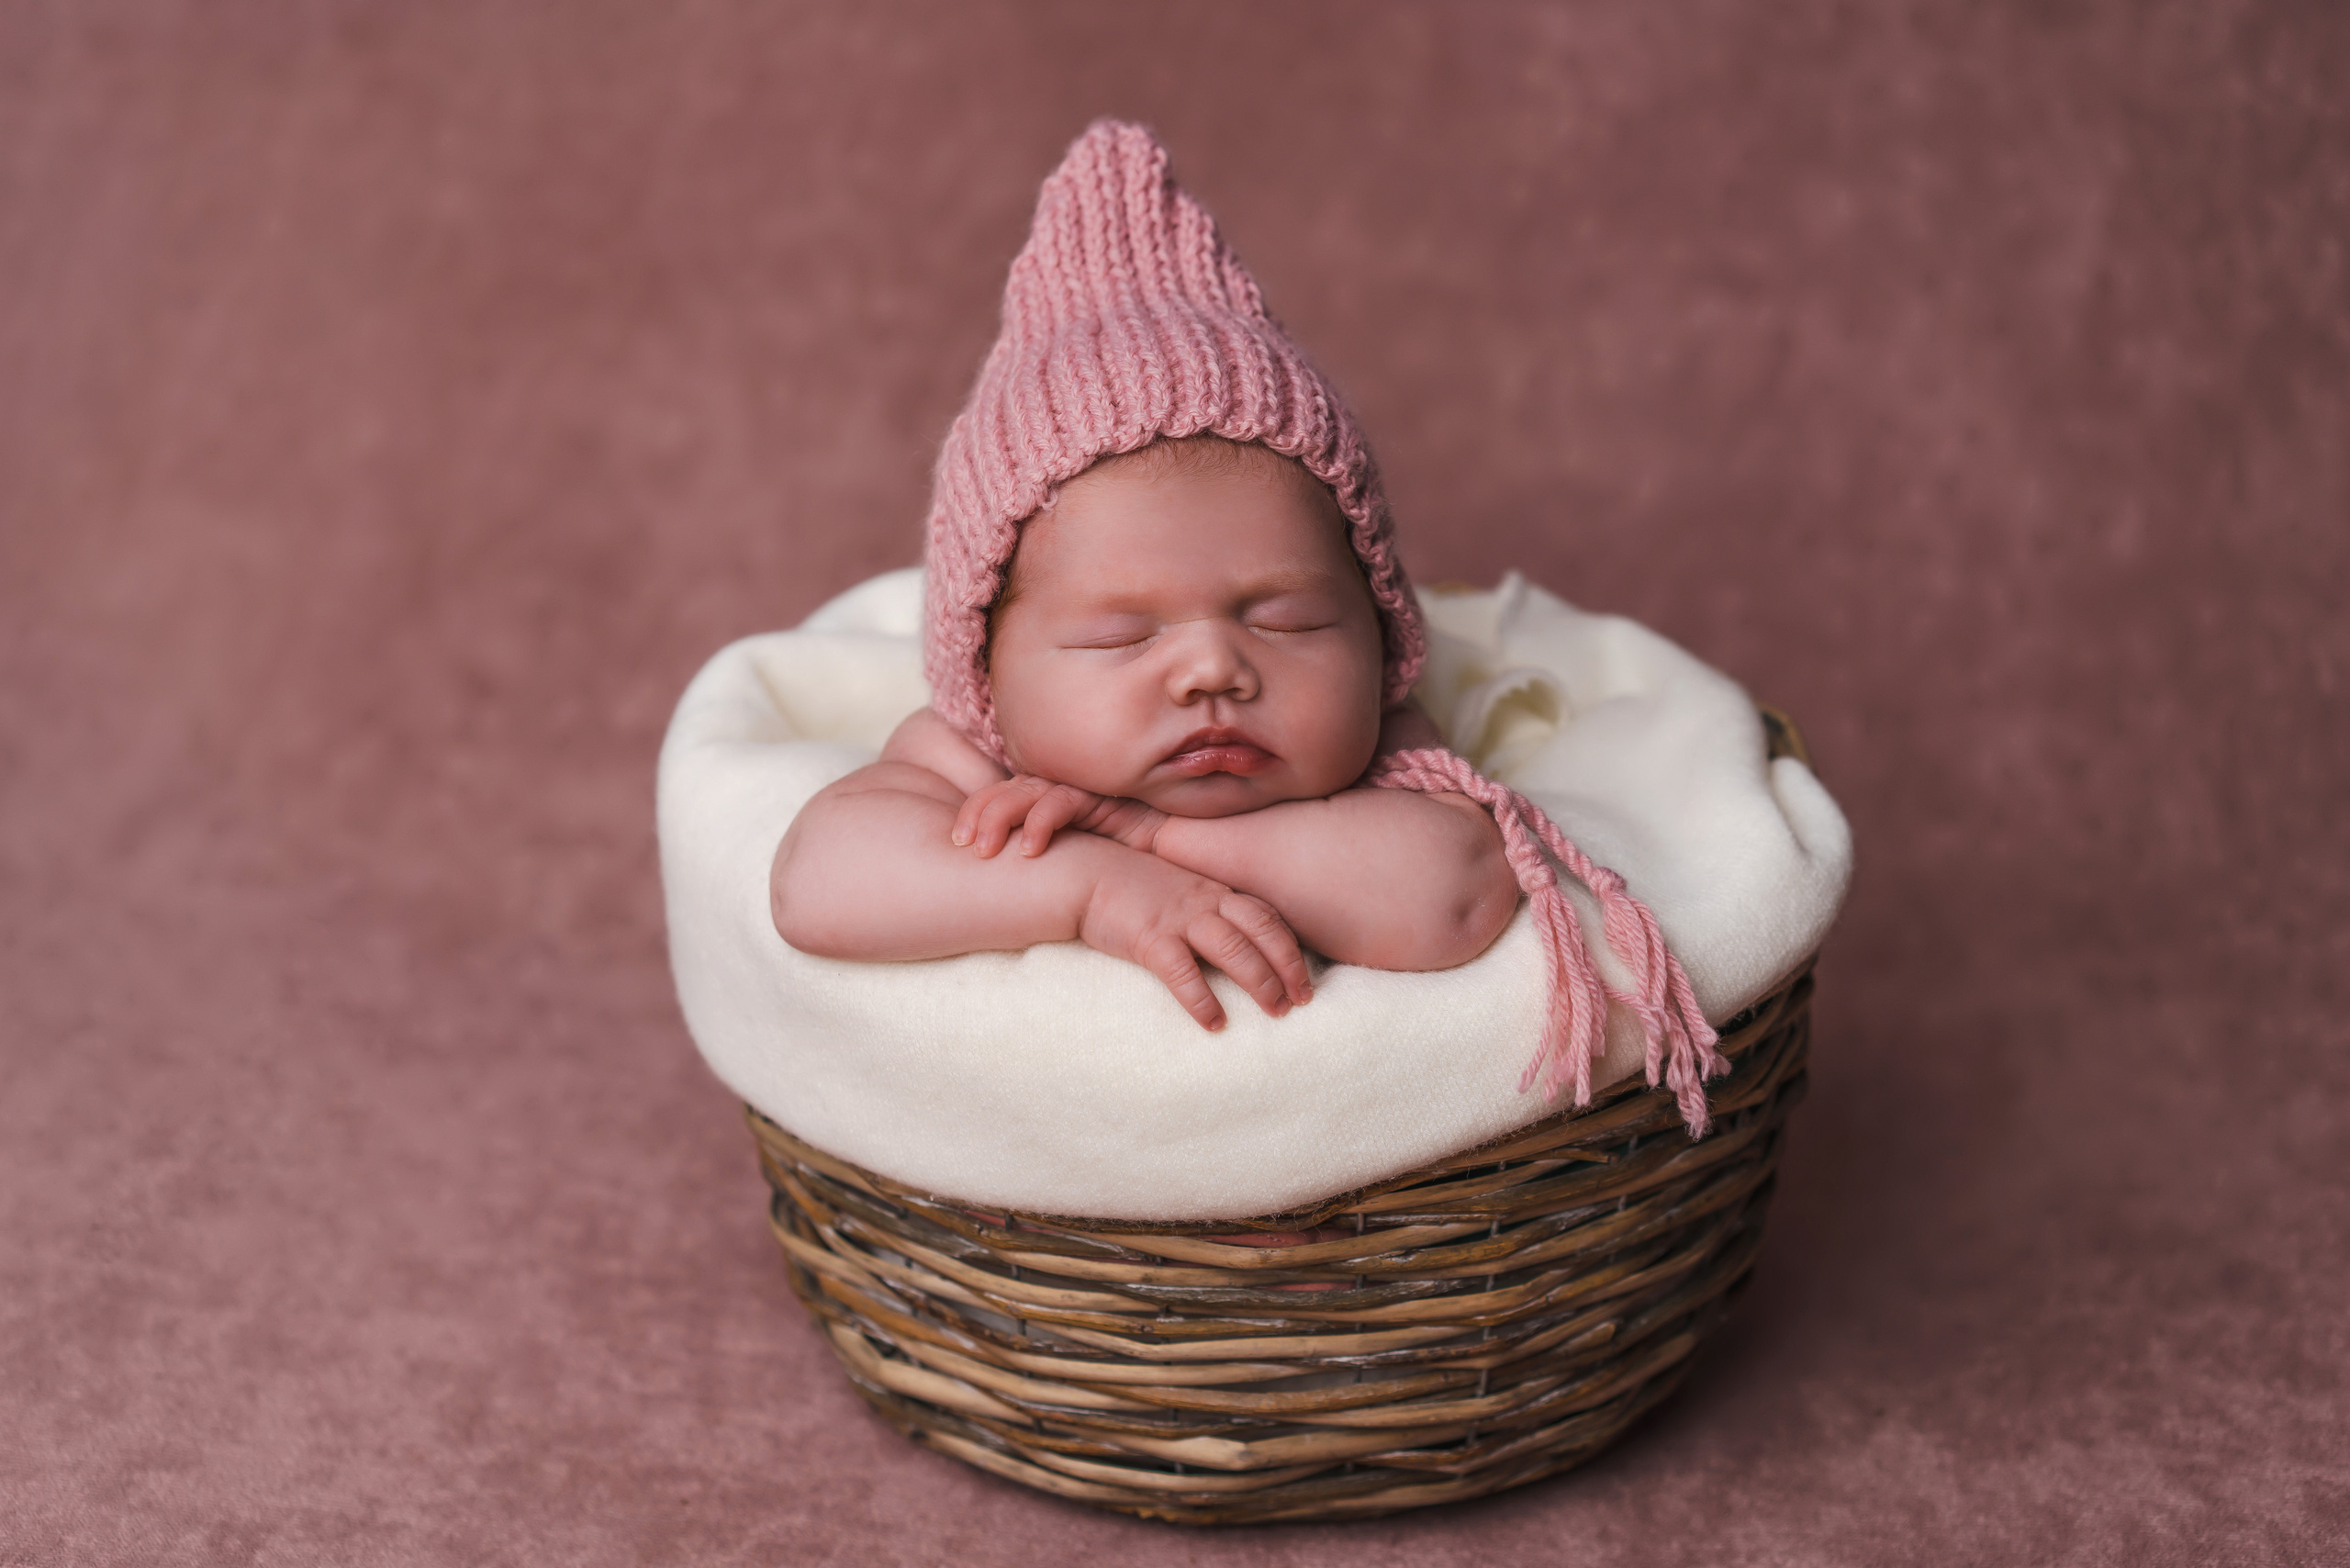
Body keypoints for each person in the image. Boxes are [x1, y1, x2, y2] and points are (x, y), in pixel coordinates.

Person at [770, 119, 1720, 1123]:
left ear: (1379, 634)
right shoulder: (982, 758)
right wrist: (1093, 889)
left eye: (1289, 620)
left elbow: (1452, 897)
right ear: (984, 666)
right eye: (1121, 636)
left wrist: (1151, 835)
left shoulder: (1376, 748)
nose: (1211, 670)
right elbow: (814, 885)